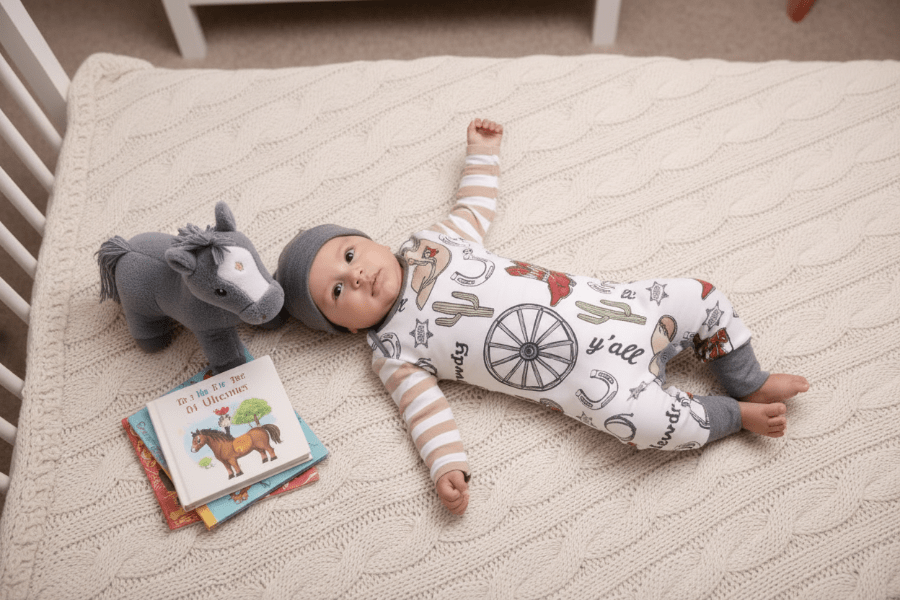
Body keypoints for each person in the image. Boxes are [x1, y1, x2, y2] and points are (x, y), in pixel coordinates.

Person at [275, 119, 809, 515]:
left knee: (701, 294)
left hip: (625, 305)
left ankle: (748, 378)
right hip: (594, 385)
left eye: (349, 256)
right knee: (649, 428)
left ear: (365, 239)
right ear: (343, 327)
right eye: (338, 292)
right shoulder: (391, 352)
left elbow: (474, 207)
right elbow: (423, 414)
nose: (358, 276)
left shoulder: (431, 244)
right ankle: (733, 416)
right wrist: (445, 465)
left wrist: (482, 153)